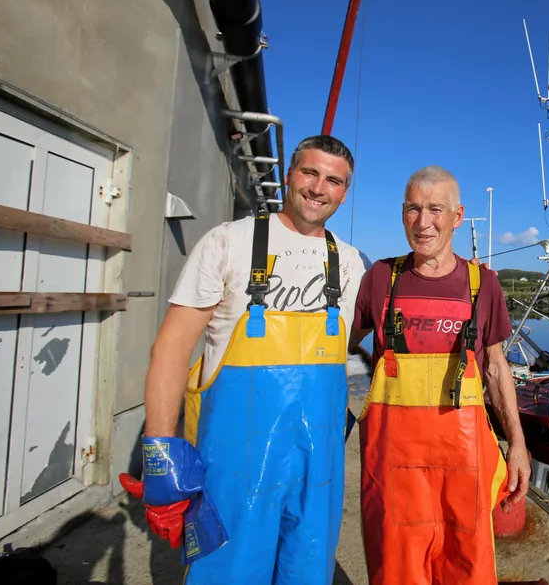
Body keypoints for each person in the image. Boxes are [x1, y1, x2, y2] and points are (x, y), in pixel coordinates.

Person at [119, 135, 366, 584]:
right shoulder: (228, 241)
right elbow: (171, 348)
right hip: (234, 469)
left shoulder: (349, 263)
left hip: (318, 474)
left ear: (344, 193)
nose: (318, 187)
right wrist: (161, 455)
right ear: (290, 175)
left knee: (307, 574)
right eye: (310, 173)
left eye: (333, 180)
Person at [349, 166, 531, 585]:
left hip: (462, 466)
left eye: (435, 209)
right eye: (414, 208)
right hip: (392, 469)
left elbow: (496, 366)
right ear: (402, 212)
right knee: (396, 569)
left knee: (467, 566)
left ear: (458, 215)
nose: (423, 222)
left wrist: (517, 444)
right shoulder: (380, 278)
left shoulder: (482, 283)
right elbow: (338, 345)